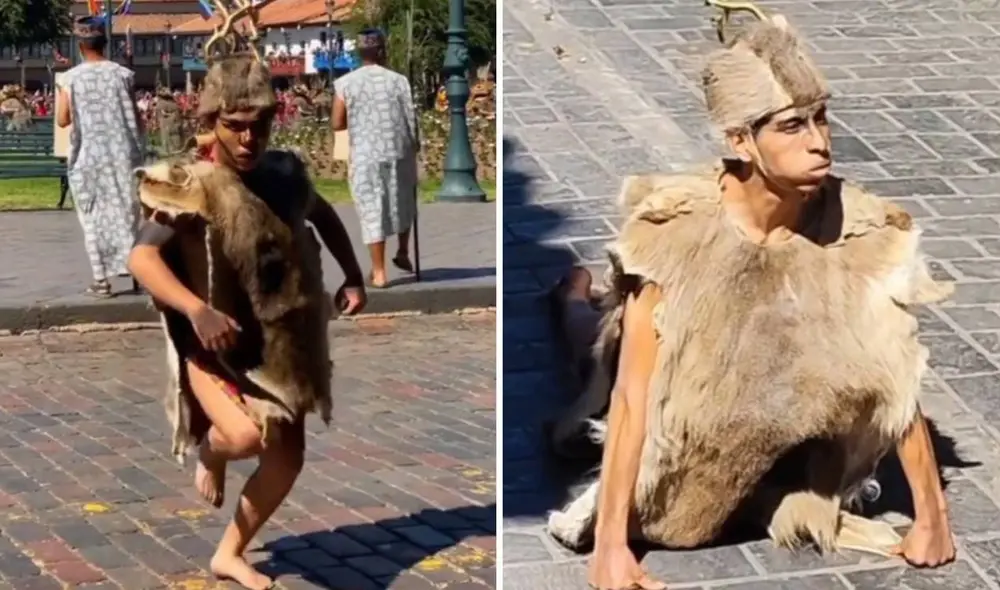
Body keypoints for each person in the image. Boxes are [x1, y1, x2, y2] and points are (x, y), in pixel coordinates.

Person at [544, 7, 957, 590]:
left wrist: (932, 517)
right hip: (668, 375)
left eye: (821, 119)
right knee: (593, 355)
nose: (820, 144)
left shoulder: (853, 225)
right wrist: (611, 546)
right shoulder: (677, 233)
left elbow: (894, 374)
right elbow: (635, 398)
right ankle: (573, 294)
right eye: (792, 127)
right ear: (741, 140)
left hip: (771, 388)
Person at [126, 26, 367, 590]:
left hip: (281, 350)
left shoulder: (283, 176)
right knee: (244, 439)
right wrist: (196, 310)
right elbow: (142, 260)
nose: (248, 139)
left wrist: (353, 274)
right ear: (211, 123)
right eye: (234, 127)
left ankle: (229, 552)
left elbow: (323, 215)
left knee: (286, 461)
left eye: (258, 126)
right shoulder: (193, 185)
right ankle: (210, 452)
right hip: (216, 349)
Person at [56, 16, 144, 297]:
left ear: (80, 45)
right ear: (104, 43)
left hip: (89, 158)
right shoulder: (123, 75)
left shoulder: (71, 79)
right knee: (127, 211)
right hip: (124, 155)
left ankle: (101, 280)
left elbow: (62, 119)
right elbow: (137, 118)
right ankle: (135, 271)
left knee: (93, 216)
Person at [332, 28, 419, 288]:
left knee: (372, 209)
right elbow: (411, 118)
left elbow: (337, 123)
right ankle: (402, 250)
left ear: (360, 53)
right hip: (398, 151)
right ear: (382, 51)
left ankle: (379, 272)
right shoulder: (399, 80)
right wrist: (415, 146)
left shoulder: (346, 83)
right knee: (403, 199)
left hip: (365, 155)